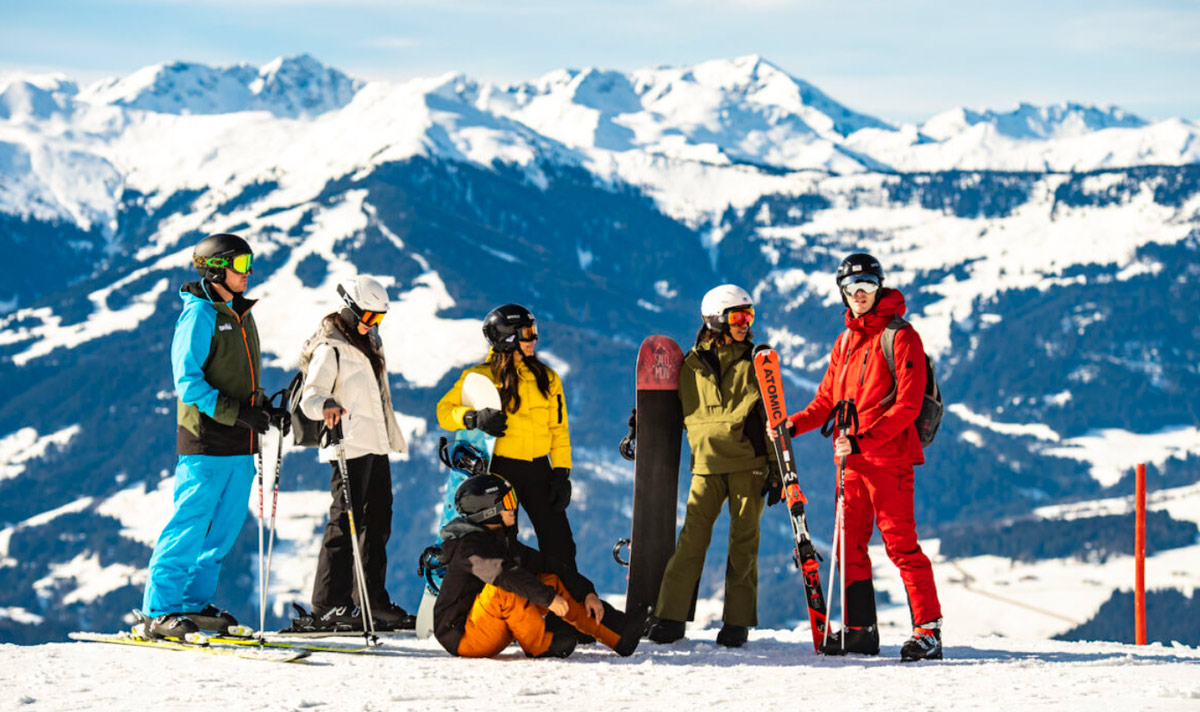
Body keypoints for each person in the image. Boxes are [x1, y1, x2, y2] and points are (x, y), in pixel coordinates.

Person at [782, 253, 943, 661]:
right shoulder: (845, 342)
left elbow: (907, 406)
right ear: (842, 292)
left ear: (879, 287)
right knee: (848, 545)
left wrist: (862, 441)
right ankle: (860, 630)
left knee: (901, 546)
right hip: (851, 463)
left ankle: (928, 631)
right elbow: (826, 400)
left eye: (868, 285)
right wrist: (793, 425)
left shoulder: (901, 336)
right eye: (852, 287)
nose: (860, 294)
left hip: (889, 461)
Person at [142, 233, 286, 638]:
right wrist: (238, 413)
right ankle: (159, 611)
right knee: (189, 525)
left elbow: (240, 379)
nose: (248, 272)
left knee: (222, 533)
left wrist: (262, 408)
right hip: (205, 441)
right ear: (216, 268)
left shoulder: (241, 314)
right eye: (241, 265)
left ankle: (192, 603)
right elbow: (188, 384)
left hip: (240, 443)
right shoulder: (199, 316)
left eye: (249, 263)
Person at [647, 285, 781, 649]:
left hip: (748, 464)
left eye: (749, 315)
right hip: (705, 465)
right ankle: (670, 617)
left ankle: (737, 623)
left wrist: (777, 468)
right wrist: (641, 423)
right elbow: (671, 409)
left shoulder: (756, 361)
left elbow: (772, 415)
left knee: (744, 543)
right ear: (716, 320)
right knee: (691, 541)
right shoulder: (689, 365)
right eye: (738, 316)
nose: (745, 323)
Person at [293, 276, 413, 631]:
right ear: (349, 309)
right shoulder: (330, 347)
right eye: (369, 316)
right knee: (345, 521)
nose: (373, 324)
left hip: (374, 444)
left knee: (378, 521)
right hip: (347, 444)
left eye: (379, 318)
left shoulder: (368, 342)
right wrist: (326, 404)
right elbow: (310, 397)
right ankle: (328, 604)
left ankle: (371, 601)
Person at [433, 474, 648, 658]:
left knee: (550, 580)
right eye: (508, 501)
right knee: (505, 588)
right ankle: (541, 645)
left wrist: (587, 592)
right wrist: (548, 599)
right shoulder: (469, 549)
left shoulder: (500, 541)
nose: (514, 507)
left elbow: (547, 564)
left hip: (492, 622)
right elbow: (504, 575)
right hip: (463, 635)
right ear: (489, 510)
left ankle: (620, 634)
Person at [436, 304, 576, 571]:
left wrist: (561, 472)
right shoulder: (480, 377)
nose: (534, 339)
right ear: (507, 337)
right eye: (527, 333)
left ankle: (566, 596)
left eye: (534, 331)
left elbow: (558, 429)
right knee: (505, 544)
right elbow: (444, 412)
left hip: (539, 470)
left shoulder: (547, 378)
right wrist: (473, 418)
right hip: (500, 472)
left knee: (560, 543)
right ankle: (510, 596)